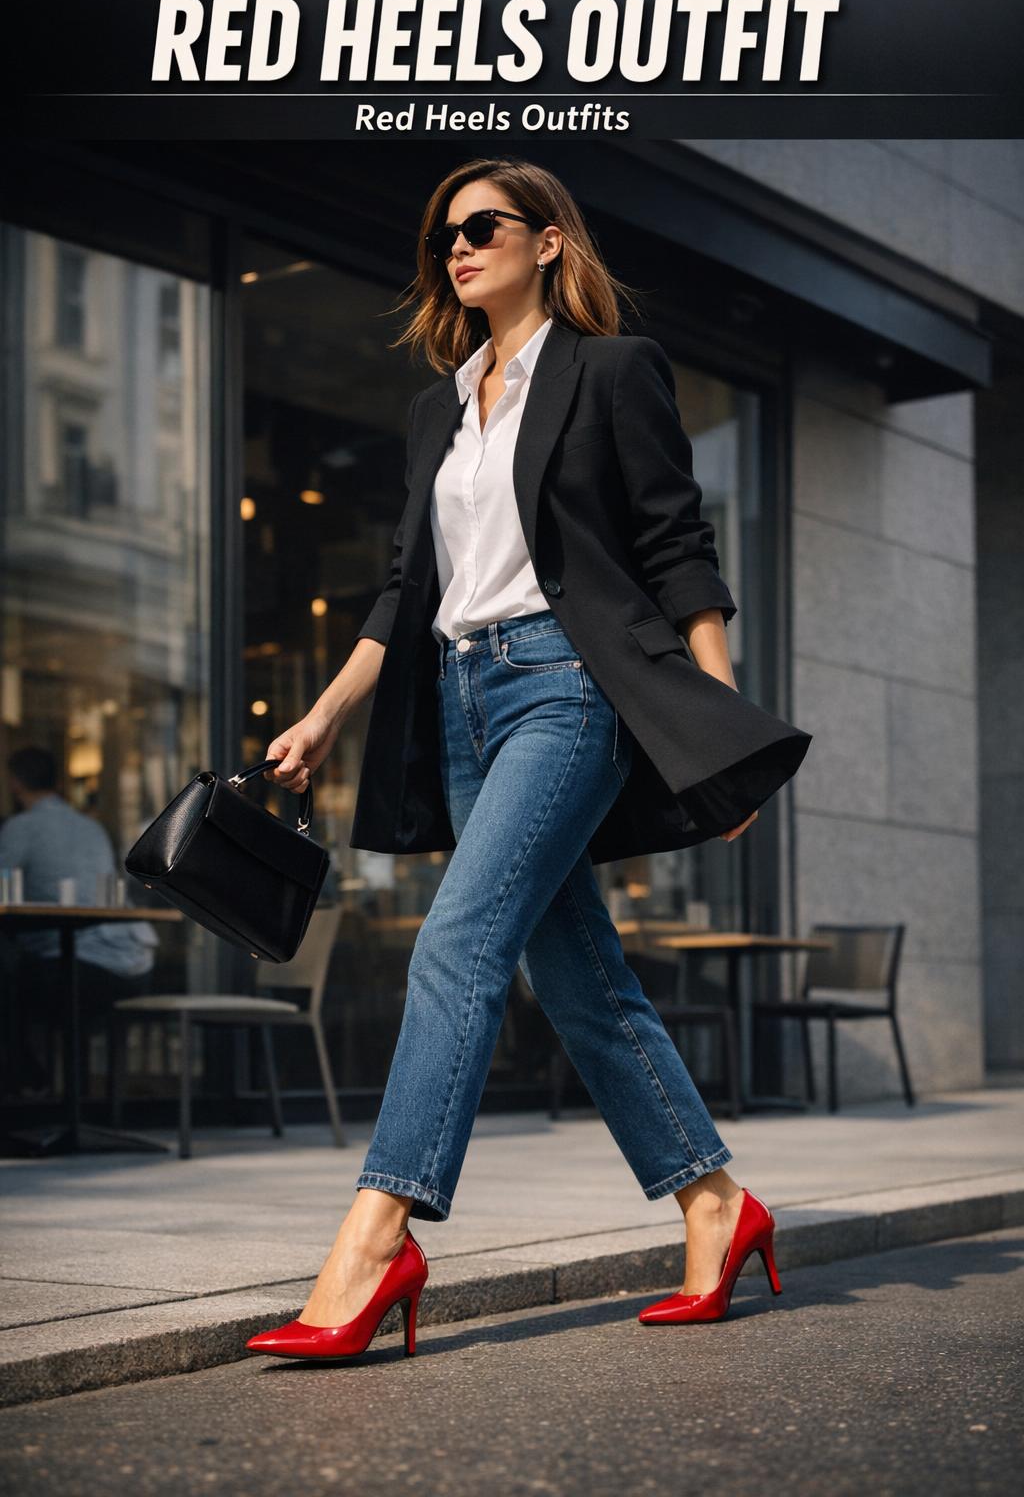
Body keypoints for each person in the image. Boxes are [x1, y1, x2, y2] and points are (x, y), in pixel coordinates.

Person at [247, 158, 802, 1363]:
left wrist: (717, 736)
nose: (458, 247)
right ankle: (716, 1206)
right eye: (445, 234)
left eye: (484, 226)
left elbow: (672, 546)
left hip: (566, 685)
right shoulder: (437, 406)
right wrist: (332, 711)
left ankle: (374, 1238)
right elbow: (406, 591)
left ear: (549, 242)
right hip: (458, 698)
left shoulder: (611, 369)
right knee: (582, 981)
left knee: (457, 940)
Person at [0, 747, 157, 1096]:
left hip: (80, 969)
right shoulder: (91, 828)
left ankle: (27, 1083)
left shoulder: (20, 828)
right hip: (134, 964)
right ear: (57, 782)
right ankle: (48, 1088)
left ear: (14, 783)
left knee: (9, 982)